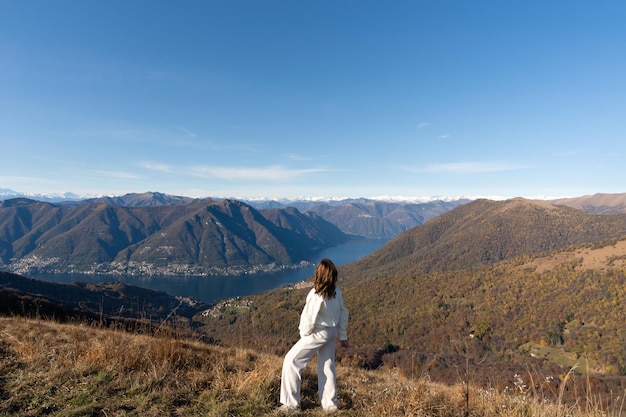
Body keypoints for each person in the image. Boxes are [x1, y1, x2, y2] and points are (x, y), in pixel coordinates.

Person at [278, 258, 349, 414]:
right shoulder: (336, 291)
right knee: (327, 366)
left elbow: (309, 317)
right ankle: (330, 406)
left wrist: (305, 334)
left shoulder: (316, 294)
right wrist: (343, 335)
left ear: (319, 274)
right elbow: (343, 312)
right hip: (332, 332)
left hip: (318, 332)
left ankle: (291, 405)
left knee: (292, 360)